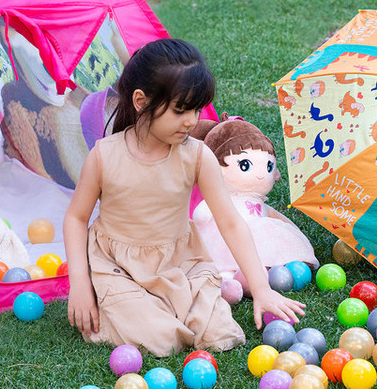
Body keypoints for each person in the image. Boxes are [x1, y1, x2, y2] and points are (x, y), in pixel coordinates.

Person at [63, 38, 305, 356]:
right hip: (119, 268)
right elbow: (76, 217)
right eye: (180, 110)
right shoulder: (105, 156)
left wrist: (261, 288)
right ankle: (132, 308)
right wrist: (80, 283)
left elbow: (230, 222)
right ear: (141, 101)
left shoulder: (197, 155)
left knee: (219, 334)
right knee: (159, 339)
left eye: (195, 109)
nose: (191, 120)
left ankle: (169, 307)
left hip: (180, 264)